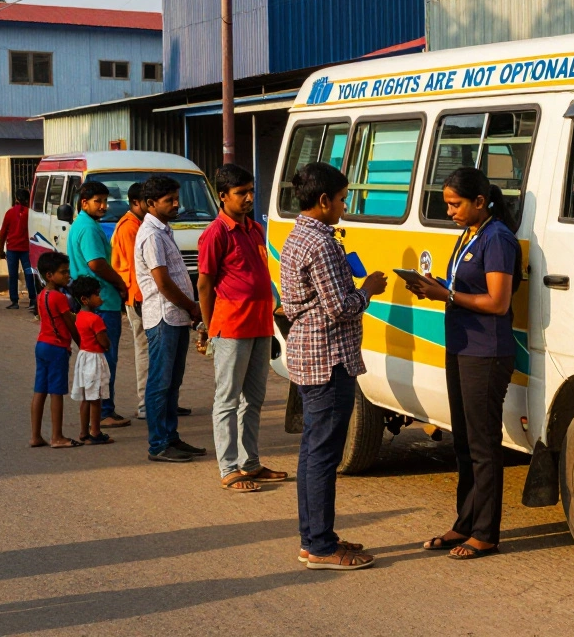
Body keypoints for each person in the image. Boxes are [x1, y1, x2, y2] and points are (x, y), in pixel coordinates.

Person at [408, 167, 520, 561]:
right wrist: (434, 287)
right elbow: (461, 288)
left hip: (486, 352)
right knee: (463, 442)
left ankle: (486, 533)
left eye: (456, 204)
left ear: (479, 201)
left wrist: (447, 294)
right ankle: (464, 522)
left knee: (483, 445)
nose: (451, 211)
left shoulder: (498, 239)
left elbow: (497, 302)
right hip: (460, 346)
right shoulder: (469, 235)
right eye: (447, 204)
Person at [280, 162, 385, 570]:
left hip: (311, 353)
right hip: (328, 357)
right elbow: (340, 307)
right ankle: (321, 546)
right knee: (322, 454)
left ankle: (314, 538)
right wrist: (368, 291)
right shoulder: (320, 243)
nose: (344, 207)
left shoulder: (300, 234)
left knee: (313, 452)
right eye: (341, 200)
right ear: (323, 201)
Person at [198, 164, 287, 493]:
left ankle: (250, 463)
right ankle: (229, 468)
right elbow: (204, 285)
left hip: (260, 324)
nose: (249, 198)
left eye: (251, 191)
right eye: (241, 193)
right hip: (231, 327)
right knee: (227, 399)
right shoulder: (215, 233)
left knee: (254, 399)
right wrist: (209, 330)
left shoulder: (253, 229)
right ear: (223, 197)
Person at [135, 175, 206, 463]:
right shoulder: (151, 234)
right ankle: (159, 444)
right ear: (151, 204)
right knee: (160, 382)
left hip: (175, 316)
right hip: (164, 317)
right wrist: (192, 306)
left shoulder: (164, 230)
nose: (176, 205)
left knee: (172, 383)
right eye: (169, 201)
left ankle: (171, 438)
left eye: (177, 199)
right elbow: (162, 282)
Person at [66, 181, 131, 429]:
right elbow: (96, 263)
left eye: (105, 201)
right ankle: (104, 410)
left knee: (98, 358)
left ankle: (100, 411)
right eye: (98, 201)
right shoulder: (89, 228)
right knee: (104, 359)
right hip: (101, 301)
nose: (103, 206)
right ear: (85, 203)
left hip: (94, 300)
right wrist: (120, 283)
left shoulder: (82, 224)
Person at [30, 252, 81, 449]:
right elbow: (70, 325)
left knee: (39, 390)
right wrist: (82, 345)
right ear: (49, 275)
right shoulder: (59, 298)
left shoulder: (42, 295)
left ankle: (35, 436)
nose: (67, 275)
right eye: (63, 272)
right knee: (56, 392)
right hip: (57, 346)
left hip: (42, 344)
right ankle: (57, 436)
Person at [112, 183, 151, 420]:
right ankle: (145, 402)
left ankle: (156, 399)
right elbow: (137, 268)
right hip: (137, 296)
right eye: (149, 201)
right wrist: (139, 298)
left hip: (141, 295)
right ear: (137, 202)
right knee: (145, 349)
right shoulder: (129, 228)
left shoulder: (139, 224)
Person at [70, 276, 115, 446]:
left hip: (83, 357)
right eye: (96, 294)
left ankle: (83, 432)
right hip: (94, 359)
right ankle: (95, 431)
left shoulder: (79, 316)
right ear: (85, 299)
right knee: (96, 398)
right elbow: (104, 341)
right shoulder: (96, 319)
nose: (100, 297)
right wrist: (108, 345)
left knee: (85, 398)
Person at [0, 189, 38, 311]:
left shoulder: (9, 213)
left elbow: (3, 233)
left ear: (16, 198)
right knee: (29, 274)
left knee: (13, 275)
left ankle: (14, 301)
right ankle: (32, 299)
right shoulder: (30, 214)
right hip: (26, 249)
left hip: (12, 249)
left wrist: (1, 250)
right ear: (28, 200)